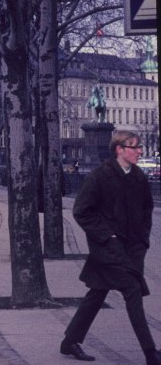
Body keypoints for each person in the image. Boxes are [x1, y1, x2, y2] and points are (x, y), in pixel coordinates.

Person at [60, 131, 159, 364]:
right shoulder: (99, 176)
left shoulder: (138, 177)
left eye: (139, 147)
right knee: (133, 291)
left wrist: (143, 240)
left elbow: (147, 210)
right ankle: (150, 352)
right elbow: (81, 211)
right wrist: (108, 236)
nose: (139, 151)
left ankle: (69, 341)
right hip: (108, 249)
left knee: (97, 293)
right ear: (119, 149)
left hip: (133, 249)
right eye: (134, 147)